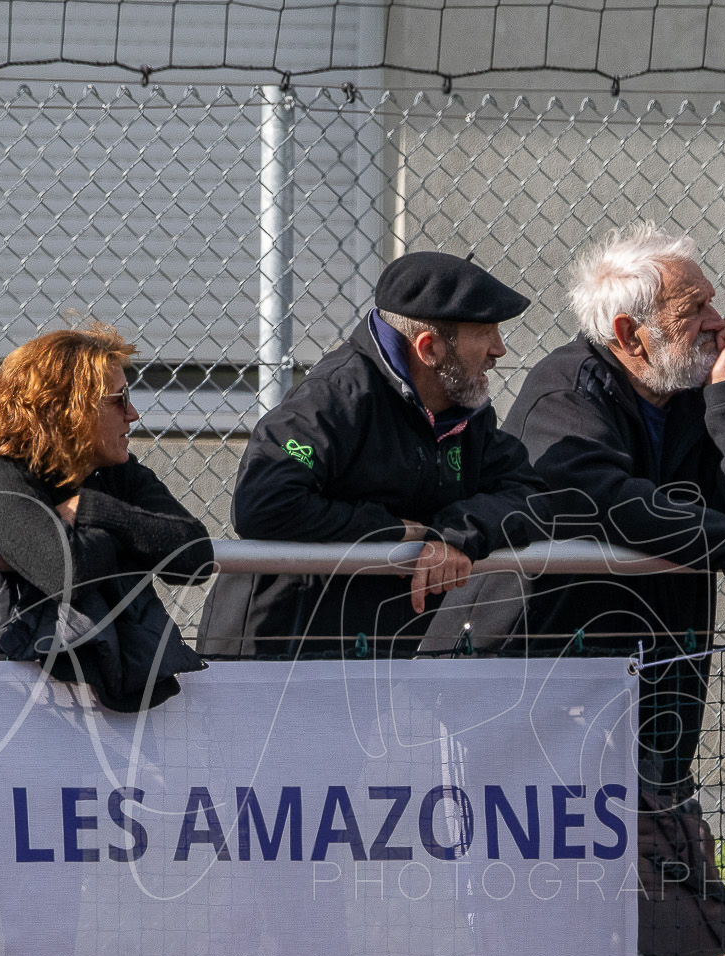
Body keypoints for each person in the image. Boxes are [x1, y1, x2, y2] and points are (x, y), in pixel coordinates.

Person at [503, 223, 725, 794]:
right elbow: (607, 499)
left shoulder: (696, 393)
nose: (719, 322)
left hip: (662, 682)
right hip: (555, 687)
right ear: (630, 333)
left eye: (713, 301)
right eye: (695, 308)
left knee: (659, 860)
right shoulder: (564, 394)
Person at [201, 251, 548, 658]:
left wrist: (456, 535)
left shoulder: (464, 413)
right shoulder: (336, 397)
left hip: (373, 656)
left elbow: (530, 496)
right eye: (485, 333)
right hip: (276, 649)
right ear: (428, 348)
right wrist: (392, 532)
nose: (499, 349)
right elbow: (263, 502)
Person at [0, 324, 214, 712]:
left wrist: (96, 511)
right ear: (67, 408)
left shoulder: (118, 476)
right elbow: (68, 570)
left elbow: (195, 558)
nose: (133, 414)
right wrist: (137, 540)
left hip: (85, 709)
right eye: (119, 399)